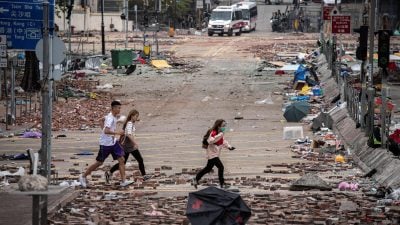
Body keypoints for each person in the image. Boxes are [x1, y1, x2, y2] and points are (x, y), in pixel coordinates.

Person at [79, 101, 133, 188]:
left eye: (120, 108)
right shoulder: (110, 118)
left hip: (113, 142)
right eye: (118, 108)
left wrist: (105, 131)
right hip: (106, 144)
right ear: (114, 108)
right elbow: (106, 131)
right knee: (99, 163)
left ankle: (123, 181)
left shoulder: (111, 116)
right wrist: (117, 133)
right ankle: (83, 176)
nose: (120, 110)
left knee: (122, 159)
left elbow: (101, 120)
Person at [105, 109, 152, 183]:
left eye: (137, 116)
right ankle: (144, 176)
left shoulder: (130, 123)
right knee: (140, 159)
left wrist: (136, 120)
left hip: (126, 146)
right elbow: (129, 135)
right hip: (129, 146)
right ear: (132, 116)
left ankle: (109, 172)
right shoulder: (129, 124)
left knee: (123, 163)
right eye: (136, 116)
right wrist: (134, 143)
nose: (137, 118)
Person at [193, 119, 235, 189]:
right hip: (212, 154)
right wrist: (219, 135)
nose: (224, 127)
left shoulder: (219, 132)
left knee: (208, 168)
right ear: (218, 126)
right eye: (223, 126)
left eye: (225, 125)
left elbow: (223, 141)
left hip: (215, 153)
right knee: (221, 167)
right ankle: (222, 184)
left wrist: (229, 147)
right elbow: (210, 141)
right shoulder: (214, 132)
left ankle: (196, 179)